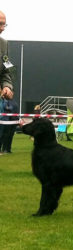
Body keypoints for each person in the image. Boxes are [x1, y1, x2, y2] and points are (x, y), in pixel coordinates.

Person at [0, 11, 14, 156]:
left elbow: (6, 70)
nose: (3, 28)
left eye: (4, 24)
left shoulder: (4, 45)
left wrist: (7, 86)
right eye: (0, 24)